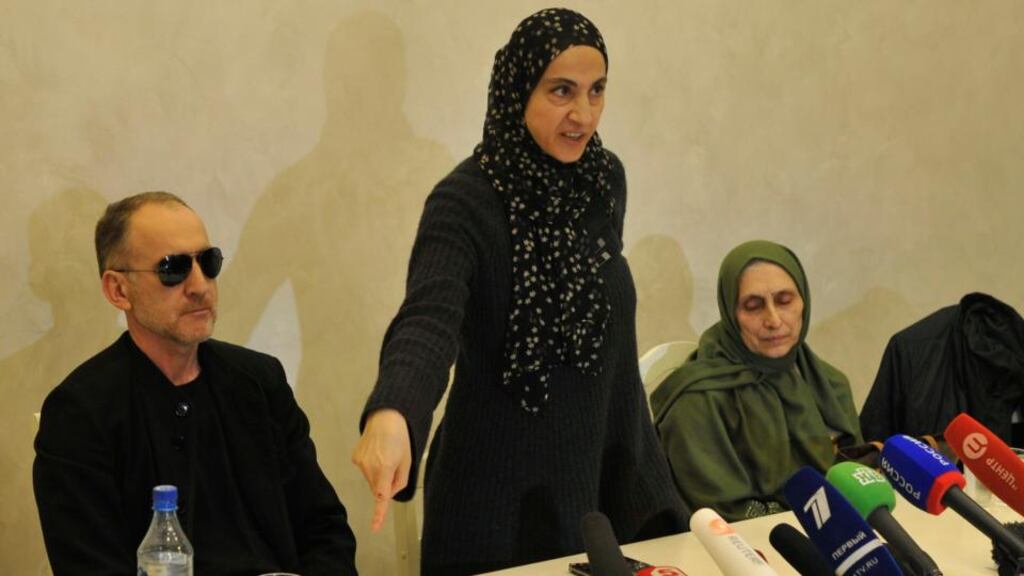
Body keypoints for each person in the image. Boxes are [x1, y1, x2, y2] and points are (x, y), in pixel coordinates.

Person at [351, 8, 688, 575]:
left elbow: (589, 317)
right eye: (561, 91)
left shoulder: (604, 180)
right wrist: (393, 410)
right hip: (496, 501)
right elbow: (429, 318)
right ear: (518, 89)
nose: (583, 114)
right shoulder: (465, 202)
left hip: (612, 473)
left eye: (597, 90)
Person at [33, 192, 358, 575]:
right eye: (173, 269)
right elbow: (89, 567)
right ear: (118, 290)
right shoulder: (81, 411)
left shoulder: (259, 382)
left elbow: (325, 530)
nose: (200, 285)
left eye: (208, 262)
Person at [650, 240, 862, 522]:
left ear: (804, 302)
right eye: (753, 306)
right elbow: (724, 512)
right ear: (730, 313)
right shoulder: (696, 401)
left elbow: (855, 477)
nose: (773, 320)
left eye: (785, 301)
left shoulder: (829, 385)